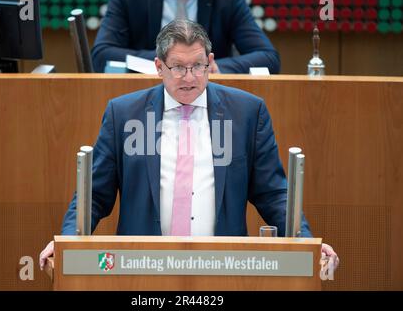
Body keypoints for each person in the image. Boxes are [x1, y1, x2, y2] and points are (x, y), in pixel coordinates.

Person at [40, 19, 338, 273]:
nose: (190, 78)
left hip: (223, 267)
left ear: (210, 63)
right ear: (159, 67)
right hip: (141, 267)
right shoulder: (124, 113)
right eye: (178, 68)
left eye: (198, 66)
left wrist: (307, 243)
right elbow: (94, 195)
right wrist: (67, 242)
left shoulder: (247, 112)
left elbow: (273, 194)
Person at [91, 0, 280, 74]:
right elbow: (101, 55)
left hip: (210, 102)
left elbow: (268, 58)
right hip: (144, 98)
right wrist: (169, 64)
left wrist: (212, 68)